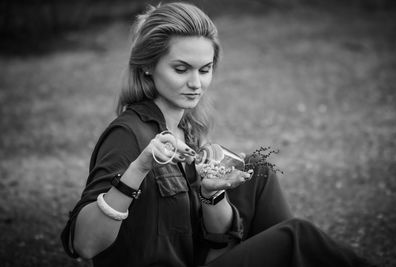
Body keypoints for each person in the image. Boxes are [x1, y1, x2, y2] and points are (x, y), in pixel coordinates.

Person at [61, 2, 374, 267]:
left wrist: (212, 194)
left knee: (259, 171)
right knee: (297, 236)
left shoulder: (188, 131)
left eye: (205, 69)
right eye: (181, 69)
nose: (196, 83)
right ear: (147, 67)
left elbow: (215, 237)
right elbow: (85, 244)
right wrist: (138, 169)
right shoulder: (128, 134)